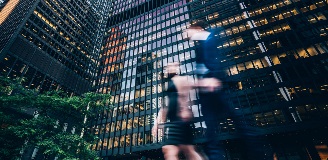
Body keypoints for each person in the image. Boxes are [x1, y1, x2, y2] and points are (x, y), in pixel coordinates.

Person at [186, 21, 273, 160]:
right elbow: (203, 69)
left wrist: (215, 76)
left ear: (197, 28)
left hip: (221, 90)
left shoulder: (211, 38)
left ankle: (259, 155)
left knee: (242, 125)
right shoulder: (199, 48)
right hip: (207, 95)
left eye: (188, 30)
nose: (187, 34)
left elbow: (221, 60)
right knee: (211, 134)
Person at [152, 63, 203, 160]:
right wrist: (157, 122)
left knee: (186, 150)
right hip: (173, 121)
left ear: (177, 68)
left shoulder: (182, 79)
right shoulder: (169, 84)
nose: (170, 68)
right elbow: (165, 105)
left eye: (173, 66)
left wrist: (186, 109)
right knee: (174, 150)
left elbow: (194, 84)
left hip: (181, 120)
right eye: (168, 67)